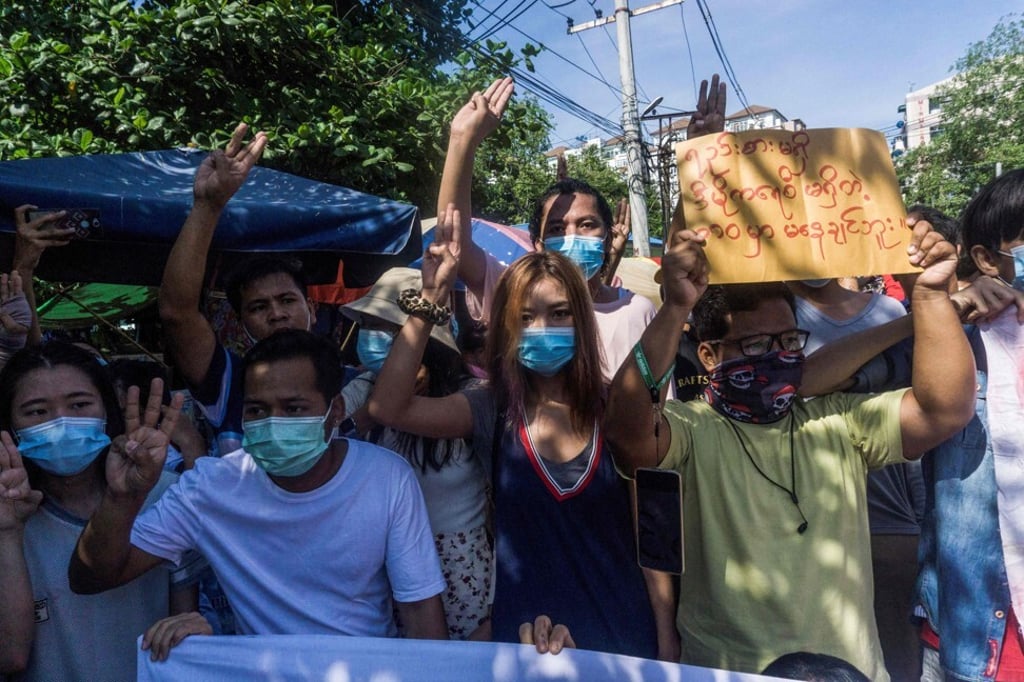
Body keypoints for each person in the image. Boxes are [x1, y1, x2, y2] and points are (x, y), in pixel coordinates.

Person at [606, 216, 976, 679]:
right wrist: (676, 307)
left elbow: (944, 410)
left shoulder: (838, 419)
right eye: (757, 344)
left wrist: (929, 297)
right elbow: (627, 429)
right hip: (730, 672)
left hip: (850, 670)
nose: (777, 356)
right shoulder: (690, 431)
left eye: (788, 341)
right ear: (708, 356)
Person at [367, 205, 660, 658]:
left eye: (559, 313)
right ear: (505, 329)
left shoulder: (616, 406)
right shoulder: (492, 408)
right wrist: (429, 302)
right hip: (525, 639)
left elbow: (651, 527)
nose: (543, 328)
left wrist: (666, 636)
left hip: (621, 637)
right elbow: (388, 406)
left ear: (581, 322)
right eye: (525, 318)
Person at [68, 329, 450, 654]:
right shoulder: (212, 486)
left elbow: (421, 618)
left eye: (293, 408)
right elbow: (91, 577)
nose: (272, 422)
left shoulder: (386, 477)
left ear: (334, 411)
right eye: (256, 410)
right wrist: (123, 496)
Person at [436, 76, 725, 383]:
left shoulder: (635, 310)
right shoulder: (514, 293)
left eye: (587, 225)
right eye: (558, 227)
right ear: (539, 245)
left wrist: (698, 164)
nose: (572, 236)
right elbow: (455, 242)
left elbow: (655, 411)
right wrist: (461, 141)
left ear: (608, 238)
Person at [0, 341, 201, 681]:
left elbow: (185, 631)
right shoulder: (9, 516)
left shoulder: (166, 496)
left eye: (79, 404)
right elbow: (10, 658)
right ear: (11, 427)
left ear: (108, 411)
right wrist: (7, 533)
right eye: (37, 412)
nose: (62, 423)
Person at [339, 267, 492, 640]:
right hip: (381, 570)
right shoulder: (362, 389)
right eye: (368, 324)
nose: (371, 336)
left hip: (460, 574)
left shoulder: (471, 396)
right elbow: (326, 444)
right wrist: (374, 409)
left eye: (384, 326)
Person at [159, 123, 328, 453]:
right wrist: (208, 206)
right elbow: (176, 313)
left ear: (311, 307)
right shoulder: (228, 382)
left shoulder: (351, 382)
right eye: (258, 307)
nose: (277, 314)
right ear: (240, 322)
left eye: (287, 300)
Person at [916, 168, 1024, 681]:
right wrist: (941, 309)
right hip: (978, 643)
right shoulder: (959, 348)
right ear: (987, 259)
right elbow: (818, 380)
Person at [787, 276, 921, 682]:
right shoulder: (772, 310)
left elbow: (915, 407)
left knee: (897, 648)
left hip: (888, 512)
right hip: (808, 517)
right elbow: (800, 381)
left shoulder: (887, 310)